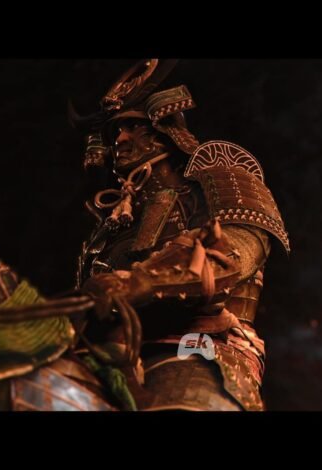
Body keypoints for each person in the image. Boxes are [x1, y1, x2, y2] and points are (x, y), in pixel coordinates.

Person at [71, 59, 290, 411]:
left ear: (165, 130)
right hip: (111, 355)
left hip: (199, 344)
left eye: (132, 126)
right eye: (115, 133)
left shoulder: (221, 179)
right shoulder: (111, 224)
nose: (120, 139)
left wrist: (138, 282)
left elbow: (234, 253)